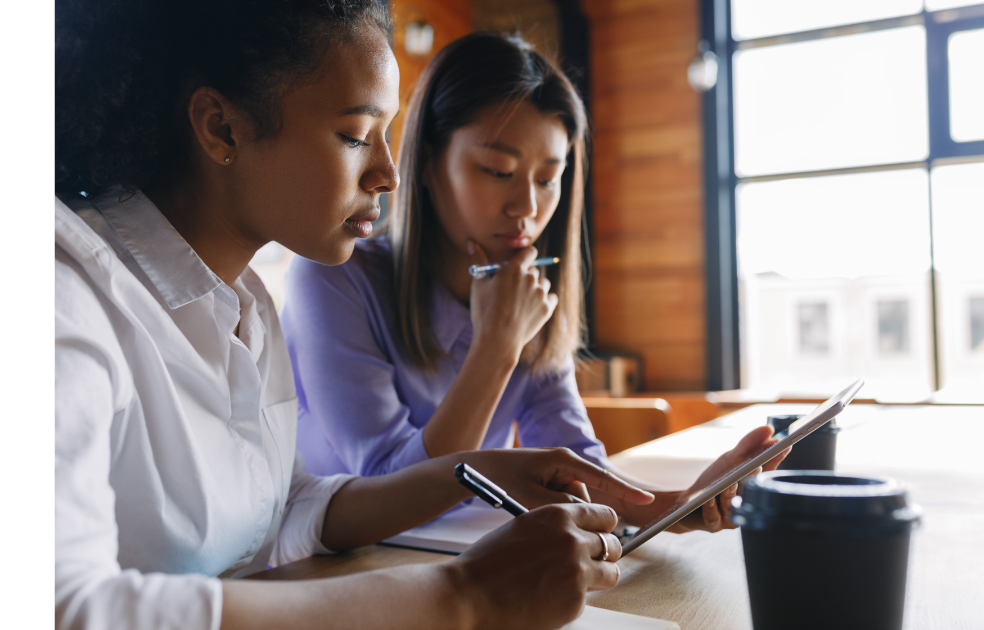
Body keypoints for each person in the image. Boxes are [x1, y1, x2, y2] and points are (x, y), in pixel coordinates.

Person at [54, 2, 672, 629]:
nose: (388, 174)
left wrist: (476, 471)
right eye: (355, 135)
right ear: (222, 127)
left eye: (386, 135)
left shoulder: (245, 307)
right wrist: (464, 595)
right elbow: (63, 607)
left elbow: (288, 509)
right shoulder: (63, 296)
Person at [281, 32, 786, 533]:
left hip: (465, 556)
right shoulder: (333, 277)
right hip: (335, 569)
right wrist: (497, 347)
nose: (526, 207)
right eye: (498, 170)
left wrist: (674, 506)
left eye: (547, 178)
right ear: (429, 162)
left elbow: (578, 467)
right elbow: (390, 486)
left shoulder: (529, 296)